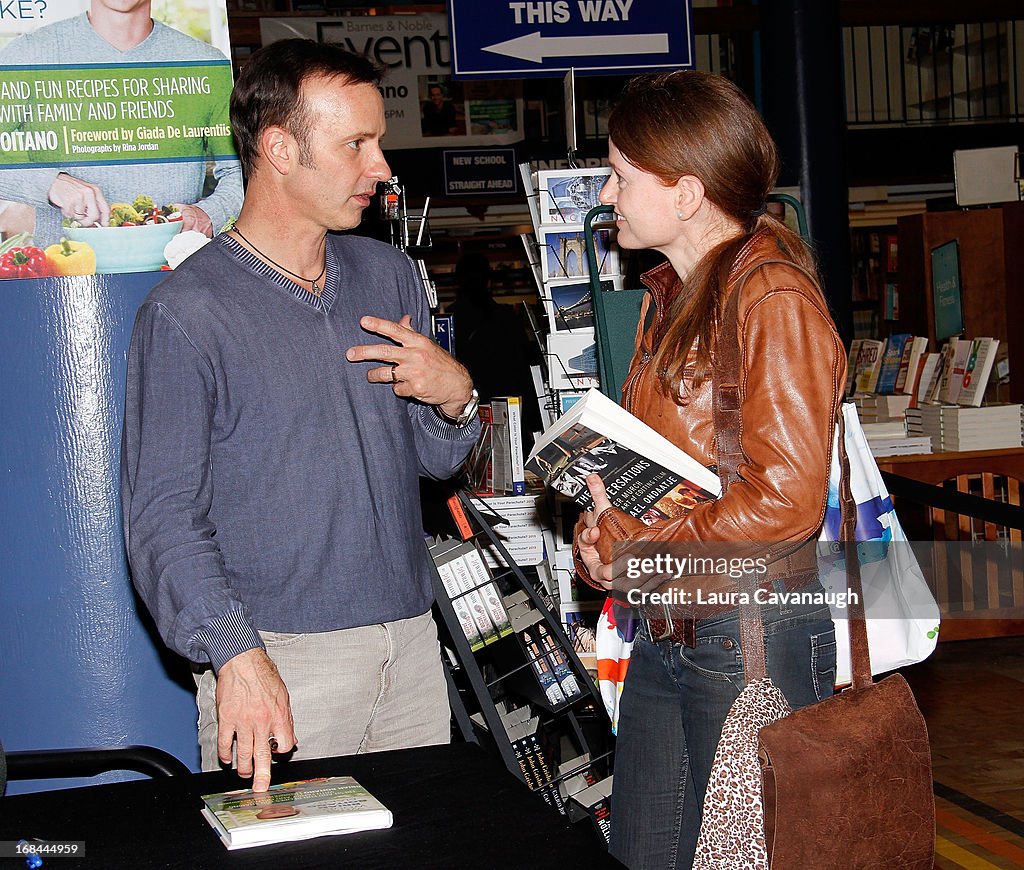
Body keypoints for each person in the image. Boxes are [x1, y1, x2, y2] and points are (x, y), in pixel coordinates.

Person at [121, 39, 479, 793]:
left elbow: (432, 460)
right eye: (356, 144)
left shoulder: (388, 274)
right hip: (281, 661)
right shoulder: (188, 313)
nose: (381, 165)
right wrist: (236, 656)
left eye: (377, 141)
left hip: (412, 643)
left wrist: (454, 400)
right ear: (279, 148)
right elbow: (161, 518)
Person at [573, 71, 846, 869]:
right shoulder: (679, 298)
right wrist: (608, 538)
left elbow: (785, 501)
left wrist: (645, 553)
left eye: (621, 174)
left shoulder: (771, 298)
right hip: (674, 630)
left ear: (686, 192)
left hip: (747, 635)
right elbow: (670, 473)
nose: (607, 191)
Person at [0, 0, 242, 245]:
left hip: (175, 268)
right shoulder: (27, 54)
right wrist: (50, 183)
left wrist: (209, 214)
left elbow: (241, 173)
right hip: (67, 269)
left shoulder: (205, 63)